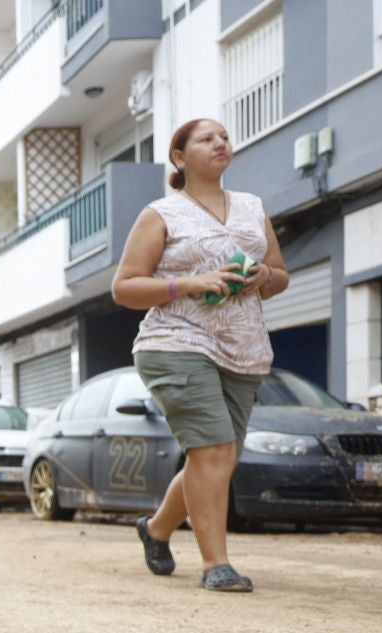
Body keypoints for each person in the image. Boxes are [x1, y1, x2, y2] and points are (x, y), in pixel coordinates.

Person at [112, 118, 289, 592]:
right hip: (176, 342)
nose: (220, 143)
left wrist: (263, 279)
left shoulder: (252, 207)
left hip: (243, 347)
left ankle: (155, 530)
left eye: (225, 137)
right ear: (179, 157)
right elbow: (125, 286)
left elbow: (279, 273)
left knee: (216, 459)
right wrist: (187, 283)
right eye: (206, 138)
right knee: (213, 450)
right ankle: (217, 565)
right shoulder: (161, 214)